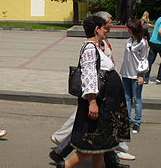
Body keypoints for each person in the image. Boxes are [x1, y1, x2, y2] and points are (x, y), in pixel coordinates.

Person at [50, 13, 132, 168]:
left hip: (105, 102)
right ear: (96, 29)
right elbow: (88, 76)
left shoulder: (94, 47)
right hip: (99, 102)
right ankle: (65, 165)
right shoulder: (89, 48)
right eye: (103, 28)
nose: (106, 31)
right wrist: (92, 102)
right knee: (92, 142)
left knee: (100, 143)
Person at [120, 19, 149, 133]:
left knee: (137, 98)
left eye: (129, 28)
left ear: (134, 29)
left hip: (136, 75)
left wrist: (141, 75)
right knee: (127, 98)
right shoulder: (128, 41)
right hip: (126, 73)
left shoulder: (142, 43)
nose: (127, 29)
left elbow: (144, 59)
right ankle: (127, 120)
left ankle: (137, 122)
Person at [144, 6, 161, 84]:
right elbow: (160, 31)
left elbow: (158, 30)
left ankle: (146, 77)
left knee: (150, 60)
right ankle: (159, 77)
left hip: (152, 41)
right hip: (159, 43)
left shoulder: (159, 18)